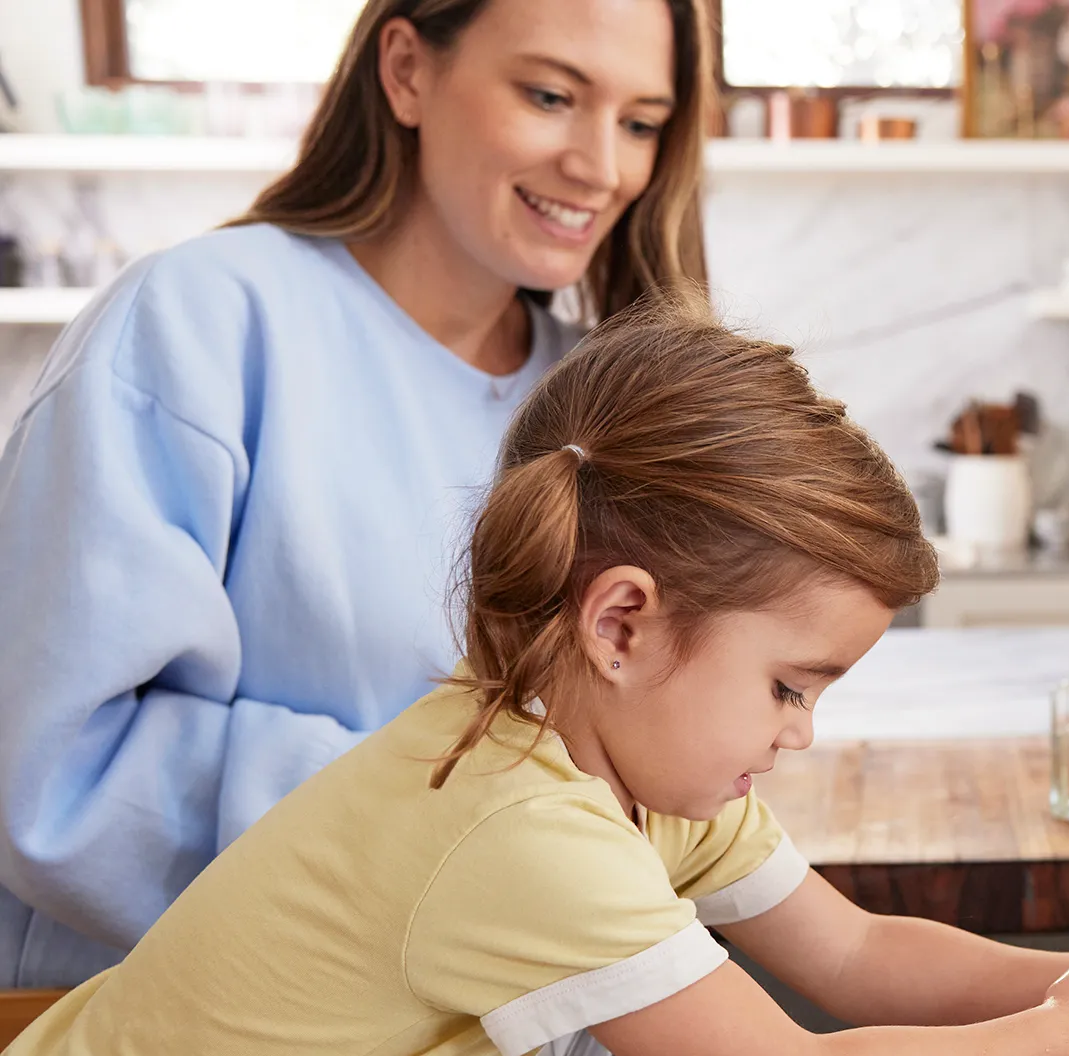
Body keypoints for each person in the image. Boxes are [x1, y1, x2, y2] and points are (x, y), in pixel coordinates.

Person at [0, 302, 1069, 1056]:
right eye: (789, 683)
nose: (803, 730)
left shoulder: (625, 774)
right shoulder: (520, 833)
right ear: (625, 620)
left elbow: (854, 957)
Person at [0, 0, 713, 989]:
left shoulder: (597, 404)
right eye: (550, 95)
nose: (601, 165)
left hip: (456, 1048)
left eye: (640, 122)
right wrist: (477, 817)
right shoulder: (203, 322)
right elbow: (51, 771)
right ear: (407, 70)